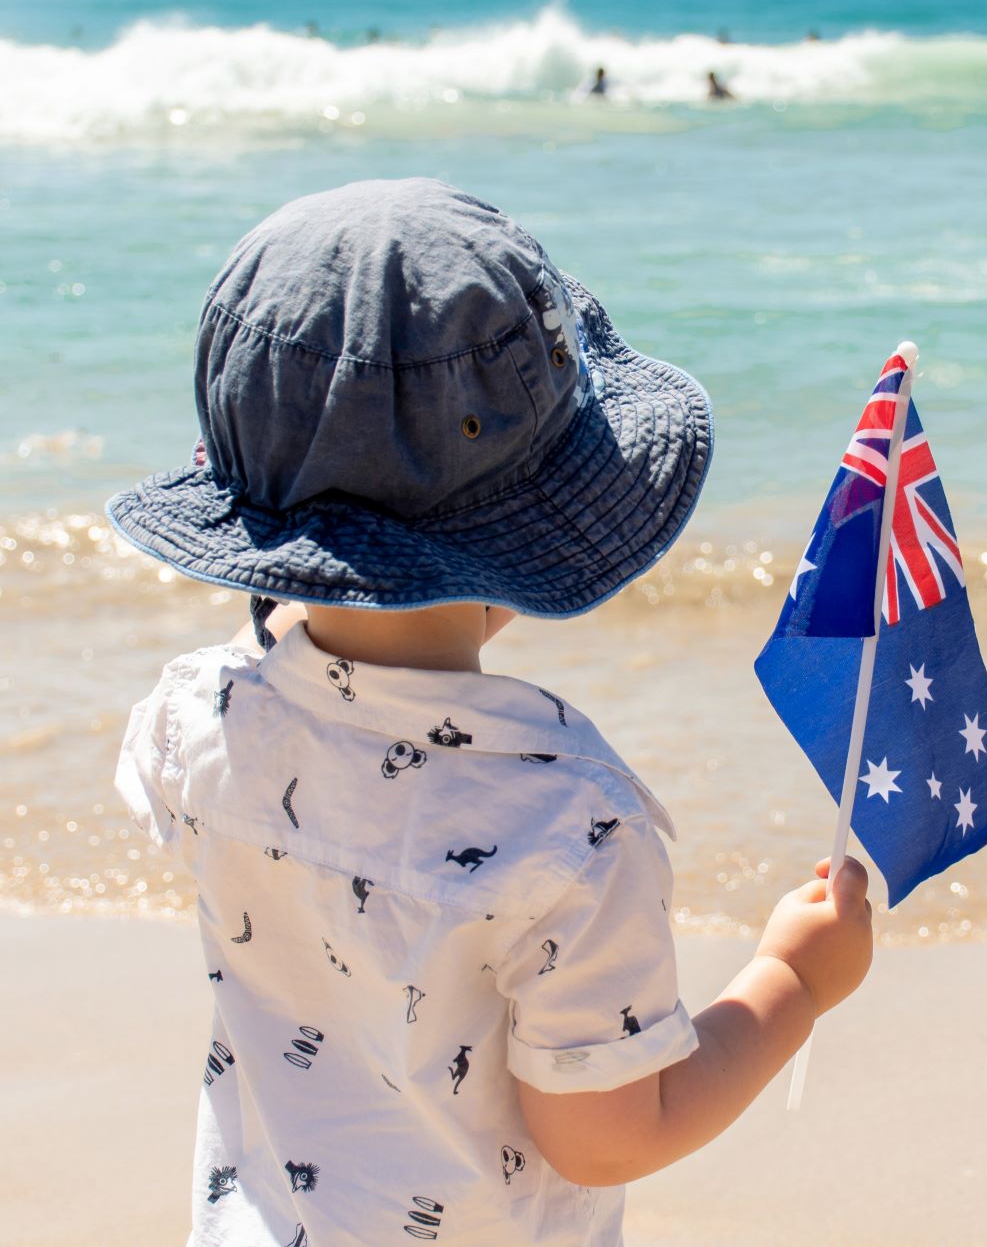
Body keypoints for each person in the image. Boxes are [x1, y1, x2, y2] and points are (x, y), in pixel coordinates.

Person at [108, 178, 873, 1245]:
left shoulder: (197, 713)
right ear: (535, 526)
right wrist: (790, 981)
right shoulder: (563, 824)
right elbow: (604, 1135)